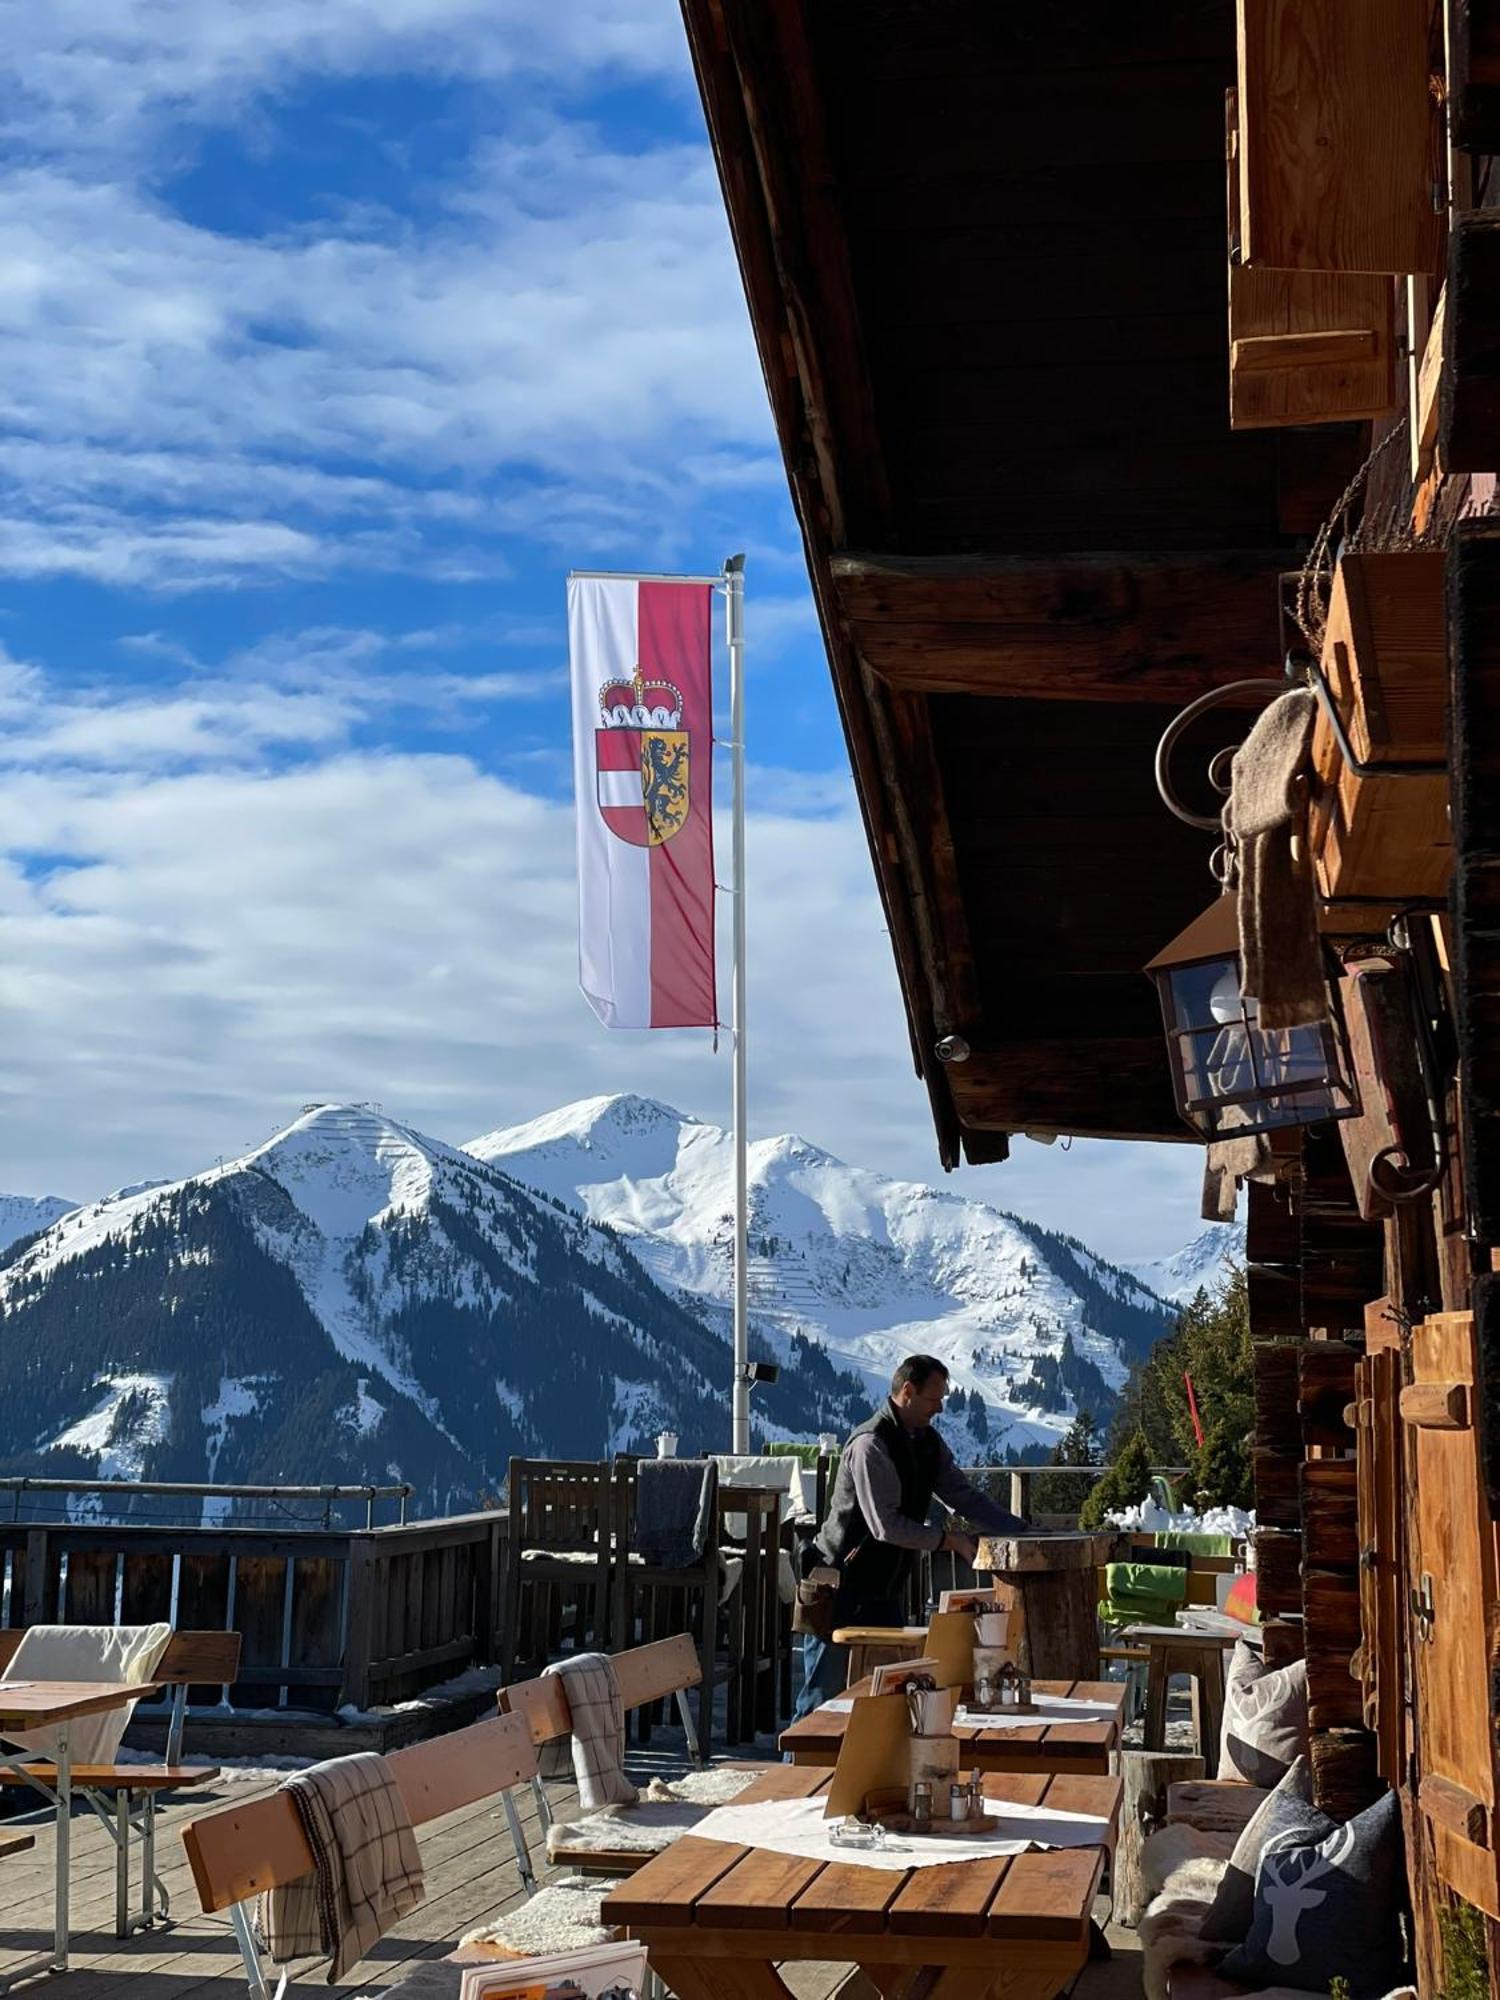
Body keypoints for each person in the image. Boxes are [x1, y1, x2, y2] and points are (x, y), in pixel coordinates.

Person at [791, 1354, 1027, 1722]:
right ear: (907, 1392)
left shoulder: (926, 1443)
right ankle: (798, 1775)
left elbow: (962, 1496)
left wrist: (1020, 1530)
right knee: (823, 1702)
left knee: (884, 1701)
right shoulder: (871, 1445)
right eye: (934, 1398)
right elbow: (886, 1526)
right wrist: (950, 1541)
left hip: (884, 1587)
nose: (941, 1407)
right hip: (838, 1587)